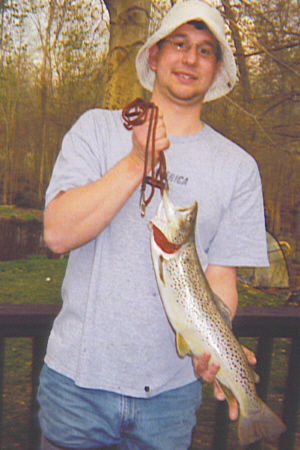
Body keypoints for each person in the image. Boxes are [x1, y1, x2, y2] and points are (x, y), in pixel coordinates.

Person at [38, 1, 269, 449]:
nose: (189, 59)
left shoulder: (239, 168)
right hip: (77, 386)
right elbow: (56, 233)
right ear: (154, 57)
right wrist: (133, 162)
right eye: (178, 44)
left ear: (216, 68)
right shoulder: (96, 131)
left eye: (205, 50)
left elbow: (221, 283)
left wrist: (212, 352)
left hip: (170, 398)